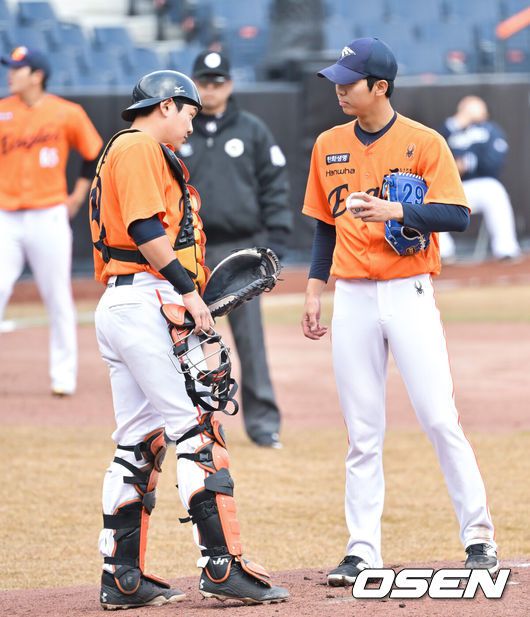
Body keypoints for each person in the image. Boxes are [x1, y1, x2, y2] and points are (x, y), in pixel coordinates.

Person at [301, 37, 498, 586]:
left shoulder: (424, 141)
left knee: (439, 418)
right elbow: (324, 227)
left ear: (380, 87)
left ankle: (479, 536)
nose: (340, 89)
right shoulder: (328, 144)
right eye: (337, 80)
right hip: (352, 296)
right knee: (362, 430)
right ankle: (362, 550)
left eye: (350, 81)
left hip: (409, 290)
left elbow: (456, 215)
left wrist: (398, 209)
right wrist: (315, 288)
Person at [89, 69, 288, 609]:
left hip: (124, 301)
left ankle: (122, 577)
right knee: (197, 431)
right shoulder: (139, 146)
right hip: (145, 299)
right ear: (166, 105)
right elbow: (144, 228)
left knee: (140, 442)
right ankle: (223, 566)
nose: (192, 125)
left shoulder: (127, 148)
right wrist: (186, 290)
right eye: (189, 113)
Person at [178, 50, 292, 449]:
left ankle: (263, 425)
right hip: (189, 250)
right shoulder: (179, 129)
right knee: (182, 340)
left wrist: (277, 240)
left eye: (217, 82)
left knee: (251, 342)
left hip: (239, 248)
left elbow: (275, 185)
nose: (210, 89)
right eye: (203, 82)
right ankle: (182, 422)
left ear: (229, 84)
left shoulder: (252, 130)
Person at [0, 46, 103, 396]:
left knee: (57, 295)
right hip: (6, 216)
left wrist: (78, 195)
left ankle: (64, 375)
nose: (10, 74)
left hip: (48, 213)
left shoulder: (66, 112)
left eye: (17, 68)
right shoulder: (3, 111)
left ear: (37, 75)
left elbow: (93, 153)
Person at [438, 95, 521, 262]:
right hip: (450, 187)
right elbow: (432, 151)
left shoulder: (491, 130)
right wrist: (454, 124)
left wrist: (466, 163)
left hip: (480, 186)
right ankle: (443, 253)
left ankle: (506, 249)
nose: (470, 111)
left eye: (474, 107)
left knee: (495, 190)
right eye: (466, 108)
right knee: (428, 197)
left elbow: (494, 163)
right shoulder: (448, 130)